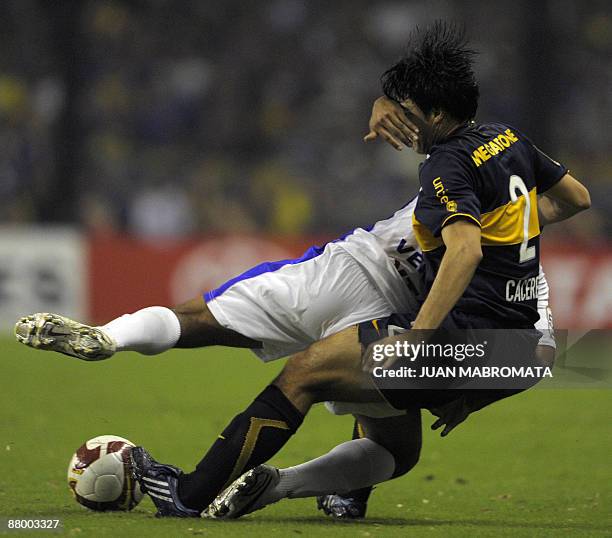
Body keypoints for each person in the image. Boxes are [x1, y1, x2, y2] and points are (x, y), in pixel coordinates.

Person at [125, 22, 590, 519]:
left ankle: (188, 496)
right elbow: (576, 198)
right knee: (395, 438)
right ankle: (326, 491)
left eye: (410, 113)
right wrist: (513, 231)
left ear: (436, 114)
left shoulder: (446, 165)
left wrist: (418, 338)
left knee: (305, 373)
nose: (404, 123)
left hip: (467, 338)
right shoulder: (508, 138)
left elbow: (464, 253)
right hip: (516, 351)